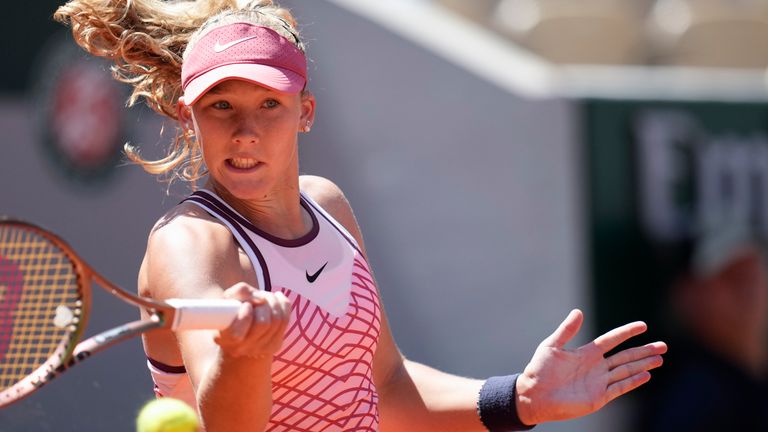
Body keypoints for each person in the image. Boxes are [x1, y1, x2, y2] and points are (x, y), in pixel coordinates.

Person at [54, 1, 667, 430]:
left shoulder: (328, 206)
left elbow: (385, 390)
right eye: (220, 106)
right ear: (190, 118)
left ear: (306, 112)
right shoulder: (191, 245)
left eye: (269, 103)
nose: (245, 130)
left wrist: (518, 399)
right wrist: (246, 358)